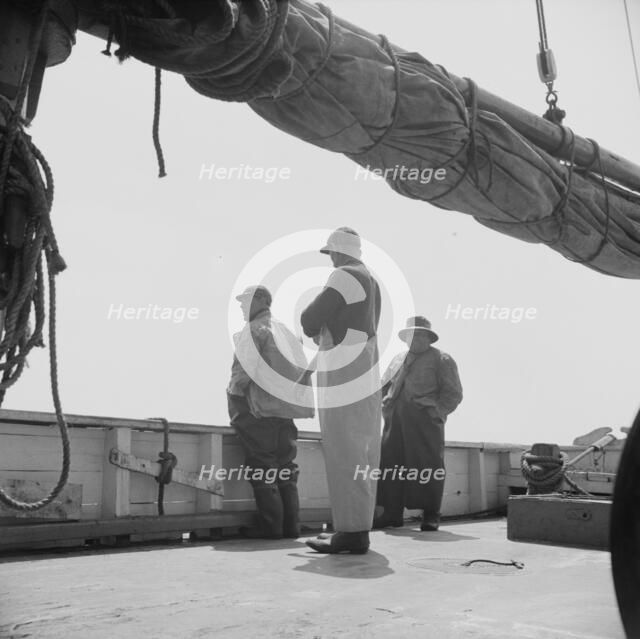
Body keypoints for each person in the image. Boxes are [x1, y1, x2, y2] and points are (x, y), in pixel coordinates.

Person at [300, 227, 382, 554]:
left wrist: (310, 328)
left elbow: (311, 317)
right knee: (362, 446)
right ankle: (356, 527)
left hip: (342, 365)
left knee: (342, 444)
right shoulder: (371, 279)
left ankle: (351, 532)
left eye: (330, 252)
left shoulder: (344, 275)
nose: (330, 259)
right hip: (366, 365)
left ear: (338, 251)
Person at [227, 285, 313, 539]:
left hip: (258, 409)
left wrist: (233, 396)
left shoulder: (254, 330)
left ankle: (271, 527)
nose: (242, 306)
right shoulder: (287, 332)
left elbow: (242, 374)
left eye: (247, 301)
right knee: (286, 467)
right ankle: (291, 527)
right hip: (285, 412)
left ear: (263, 300)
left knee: (262, 466)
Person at [374, 316, 462, 531]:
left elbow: (453, 393)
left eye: (421, 335)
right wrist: (383, 406)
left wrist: (436, 412)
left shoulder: (442, 359)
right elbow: (382, 387)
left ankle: (431, 514)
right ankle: (390, 514)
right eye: (412, 335)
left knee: (428, 466)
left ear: (429, 338)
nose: (416, 339)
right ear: (405, 338)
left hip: (424, 419)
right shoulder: (397, 360)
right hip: (394, 419)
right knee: (390, 465)